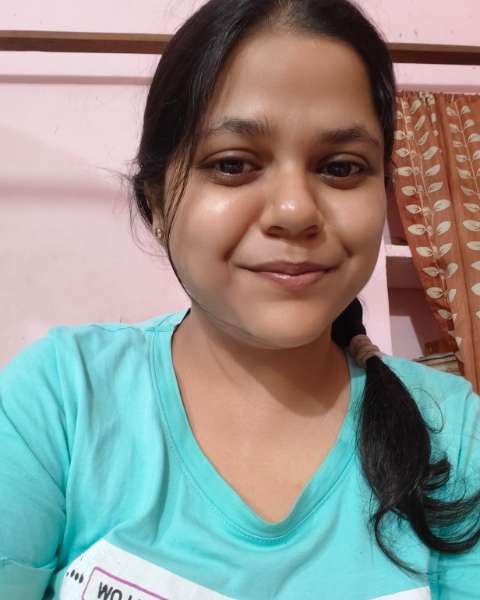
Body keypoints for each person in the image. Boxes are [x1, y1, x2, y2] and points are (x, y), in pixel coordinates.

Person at [1, 0, 479, 598]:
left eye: (340, 167)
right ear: (156, 201)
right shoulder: (61, 399)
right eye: (232, 164)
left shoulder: (452, 427)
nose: (295, 211)